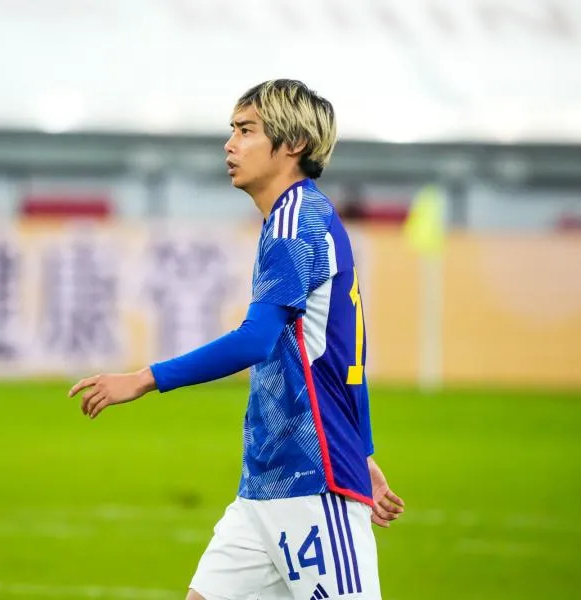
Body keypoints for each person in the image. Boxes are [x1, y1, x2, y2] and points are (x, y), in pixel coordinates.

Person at [68, 79, 405, 600]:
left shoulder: (294, 223)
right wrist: (362, 453)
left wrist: (144, 379)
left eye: (246, 131)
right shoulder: (299, 216)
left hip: (313, 488)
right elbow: (339, 353)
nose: (230, 144)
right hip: (265, 486)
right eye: (232, 130)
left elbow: (255, 341)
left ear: (293, 144)